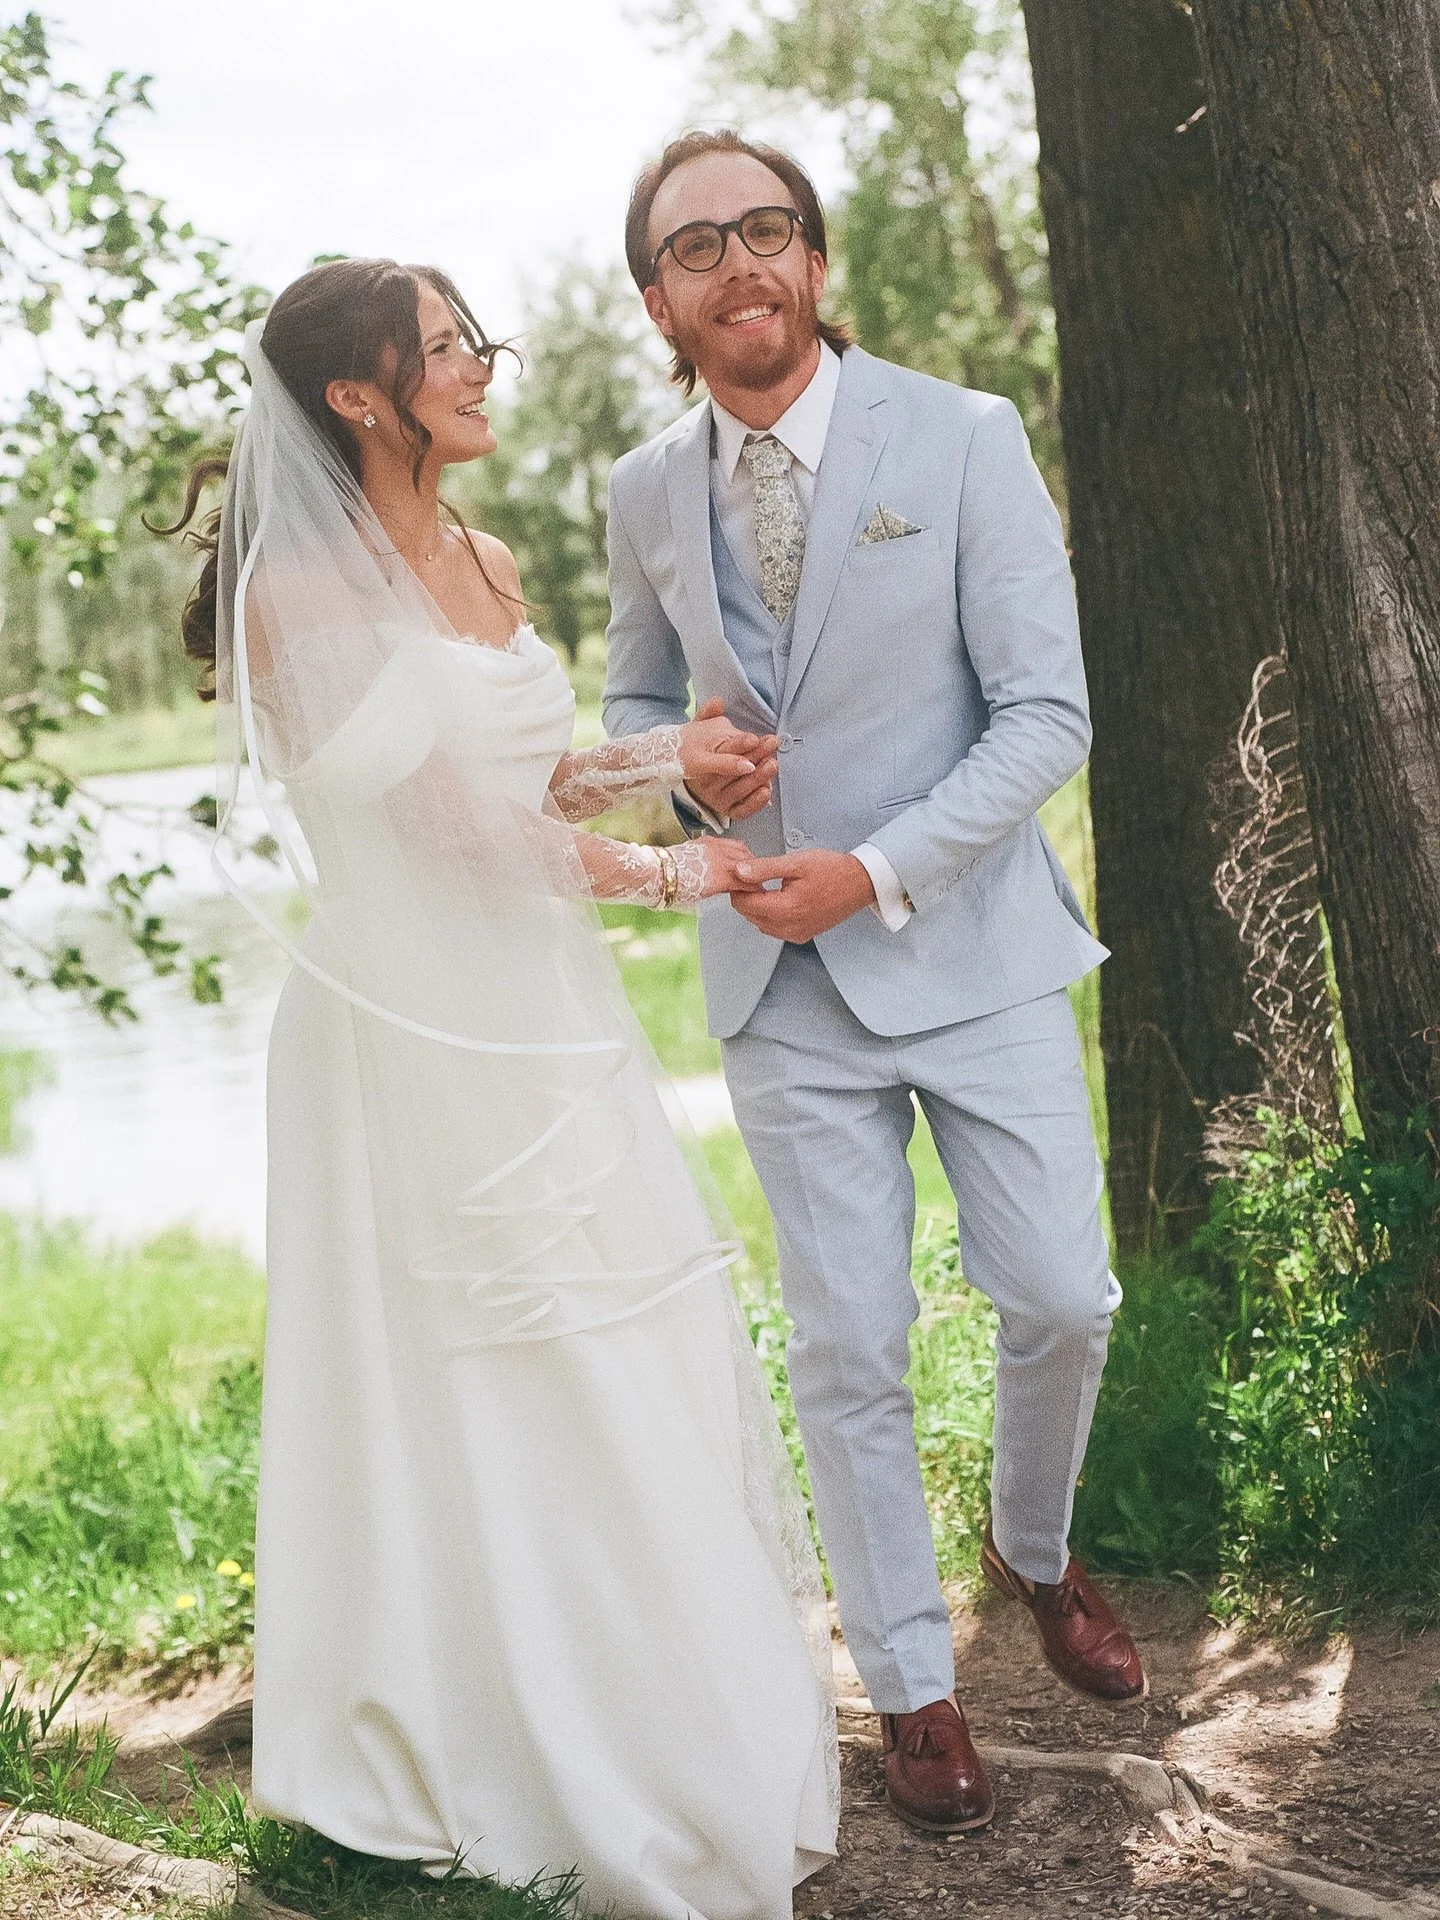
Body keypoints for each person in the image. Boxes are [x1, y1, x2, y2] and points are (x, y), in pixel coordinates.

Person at [164, 256, 838, 1919]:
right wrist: (683, 884)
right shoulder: (298, 603)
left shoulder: (480, 553)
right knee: (486, 1367)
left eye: (479, 340)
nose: (481, 368)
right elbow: (449, 834)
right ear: (354, 397)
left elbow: (530, 780)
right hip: (413, 1024)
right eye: (447, 348)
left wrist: (658, 766)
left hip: (545, 1009)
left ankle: (665, 1713)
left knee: (619, 1340)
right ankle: (501, 1746)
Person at [603, 128, 1147, 1839]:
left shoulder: (966, 438)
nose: (741, 264)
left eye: (769, 231)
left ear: (817, 265)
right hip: (778, 991)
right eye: (699, 249)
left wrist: (883, 868)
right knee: (849, 1348)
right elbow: (630, 711)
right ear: (658, 303)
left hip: (969, 946)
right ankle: (911, 1687)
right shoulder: (638, 492)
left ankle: (1032, 1551)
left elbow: (1047, 716)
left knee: (1065, 1298)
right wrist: (684, 767)